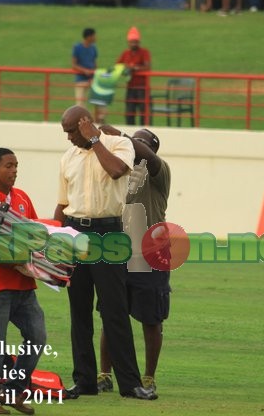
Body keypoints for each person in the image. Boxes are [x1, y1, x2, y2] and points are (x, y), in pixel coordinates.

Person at [54, 106, 157, 400]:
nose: (69, 137)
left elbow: (116, 171)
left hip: (109, 233)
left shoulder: (118, 145)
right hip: (76, 233)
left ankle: (130, 384)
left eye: (73, 130)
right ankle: (84, 380)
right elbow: (63, 204)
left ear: (86, 123)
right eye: (66, 132)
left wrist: (95, 140)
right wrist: (57, 242)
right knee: (79, 311)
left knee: (114, 311)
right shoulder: (67, 158)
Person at [96, 126, 171, 394]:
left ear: (151, 148)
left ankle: (148, 376)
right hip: (117, 250)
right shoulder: (119, 170)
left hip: (151, 251)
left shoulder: (159, 171)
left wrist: (123, 136)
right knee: (111, 315)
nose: (135, 144)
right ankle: (104, 374)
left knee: (151, 319)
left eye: (143, 142)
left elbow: (148, 157)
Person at [0, 148, 45, 415]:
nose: (14, 170)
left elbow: (37, 234)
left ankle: (13, 391)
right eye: (8, 166)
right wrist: (19, 259)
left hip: (24, 284)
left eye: (16, 165)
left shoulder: (22, 198)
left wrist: (53, 269)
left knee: (37, 336)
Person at [116, 27, 151, 126]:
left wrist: (134, 68)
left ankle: (144, 130)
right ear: (128, 42)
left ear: (138, 42)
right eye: (132, 42)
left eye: (135, 42)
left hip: (142, 87)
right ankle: (130, 130)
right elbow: (118, 66)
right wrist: (125, 68)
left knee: (143, 112)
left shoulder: (144, 52)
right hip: (130, 86)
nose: (133, 44)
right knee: (129, 112)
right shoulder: (125, 53)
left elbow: (147, 67)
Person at [72, 28, 102, 122]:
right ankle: (82, 122)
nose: (95, 37)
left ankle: (99, 119)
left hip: (92, 79)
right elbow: (74, 64)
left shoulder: (93, 48)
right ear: (89, 37)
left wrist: (95, 74)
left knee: (98, 99)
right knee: (80, 102)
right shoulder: (77, 47)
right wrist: (84, 71)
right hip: (80, 79)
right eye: (94, 35)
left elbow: (94, 63)